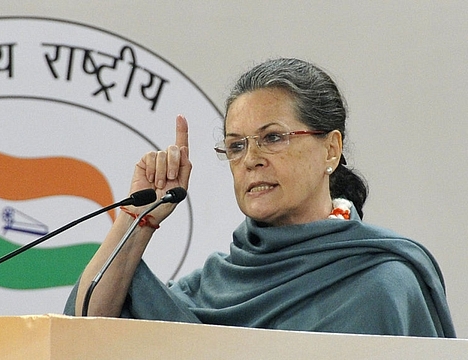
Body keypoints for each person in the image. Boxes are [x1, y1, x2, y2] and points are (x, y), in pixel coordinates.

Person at [64, 58, 455, 337]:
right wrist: (138, 218)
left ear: (331, 150)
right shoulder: (213, 287)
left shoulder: (381, 283)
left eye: (273, 138)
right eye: (235, 146)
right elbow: (81, 332)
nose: (251, 160)